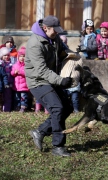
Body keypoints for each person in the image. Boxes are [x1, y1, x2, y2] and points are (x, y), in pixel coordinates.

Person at [25, 15, 75, 157]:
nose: (57, 33)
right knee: (57, 108)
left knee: (67, 106)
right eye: (55, 30)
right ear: (45, 28)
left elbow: (63, 52)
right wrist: (60, 80)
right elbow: (41, 70)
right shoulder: (35, 44)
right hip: (38, 81)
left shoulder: (54, 38)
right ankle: (58, 146)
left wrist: (75, 58)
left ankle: (40, 131)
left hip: (50, 78)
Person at [11, 47, 29, 112]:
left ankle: (23, 107)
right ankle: (17, 106)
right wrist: (14, 72)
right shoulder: (15, 65)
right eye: (20, 56)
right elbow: (12, 73)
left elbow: (28, 73)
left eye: (23, 56)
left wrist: (20, 72)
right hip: (16, 86)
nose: (22, 58)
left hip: (24, 86)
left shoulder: (27, 65)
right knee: (17, 97)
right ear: (18, 57)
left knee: (23, 97)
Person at [0, 47, 14, 111]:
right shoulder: (1, 64)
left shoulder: (11, 64)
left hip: (9, 82)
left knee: (8, 96)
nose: (6, 57)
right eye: (5, 55)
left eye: (8, 55)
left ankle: (7, 109)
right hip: (1, 83)